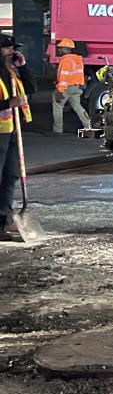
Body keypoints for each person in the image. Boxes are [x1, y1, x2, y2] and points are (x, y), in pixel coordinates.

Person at [0, 35, 33, 241]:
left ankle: (4, 218)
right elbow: (10, 101)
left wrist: (24, 67)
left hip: (11, 131)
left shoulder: (12, 72)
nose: (12, 52)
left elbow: (31, 90)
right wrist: (8, 103)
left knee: (10, 175)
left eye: (13, 48)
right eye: (7, 49)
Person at [51, 39, 90, 135]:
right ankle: (88, 126)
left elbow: (64, 77)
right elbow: (79, 75)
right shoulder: (77, 60)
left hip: (66, 88)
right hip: (77, 87)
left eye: (61, 48)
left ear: (66, 49)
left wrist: (60, 91)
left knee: (58, 106)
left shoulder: (65, 60)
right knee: (77, 107)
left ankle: (57, 130)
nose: (59, 50)